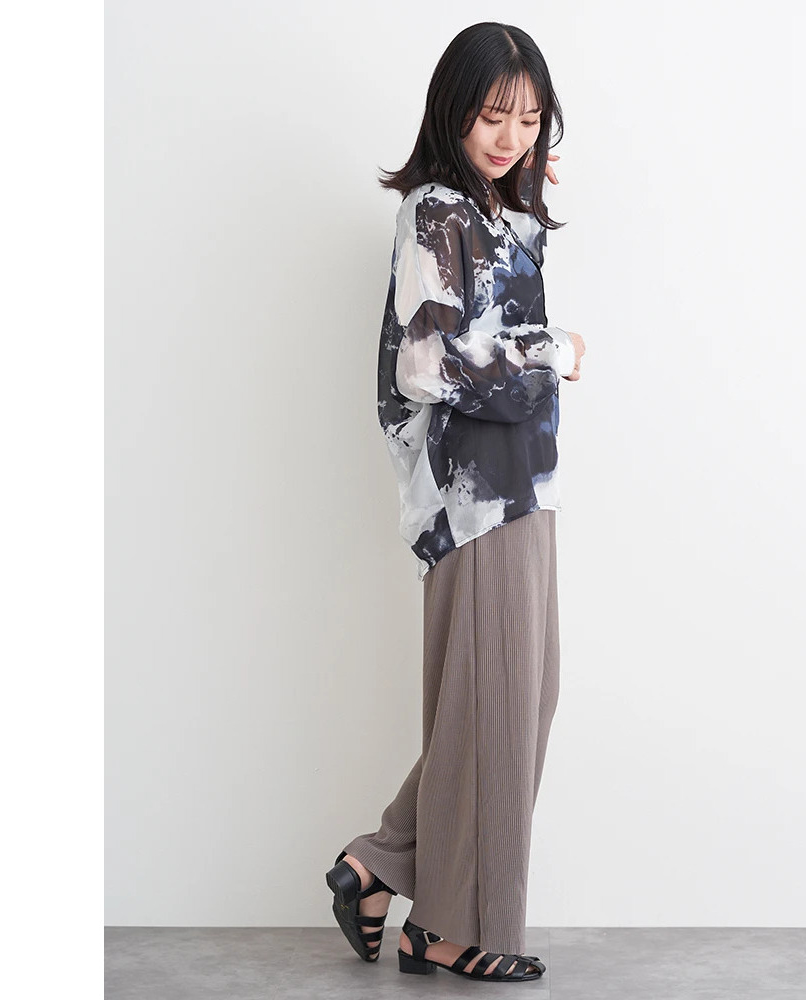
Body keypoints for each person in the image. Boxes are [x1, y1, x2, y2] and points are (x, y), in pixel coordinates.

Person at [324, 21, 586, 984]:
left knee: (517, 699)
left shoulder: (488, 210)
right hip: (474, 497)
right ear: (452, 113)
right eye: (491, 115)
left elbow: (486, 320)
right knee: (498, 704)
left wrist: (516, 209)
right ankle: (447, 928)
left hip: (521, 484)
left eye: (530, 118)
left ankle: (381, 865)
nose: (511, 136)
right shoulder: (435, 210)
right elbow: (427, 363)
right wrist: (553, 351)